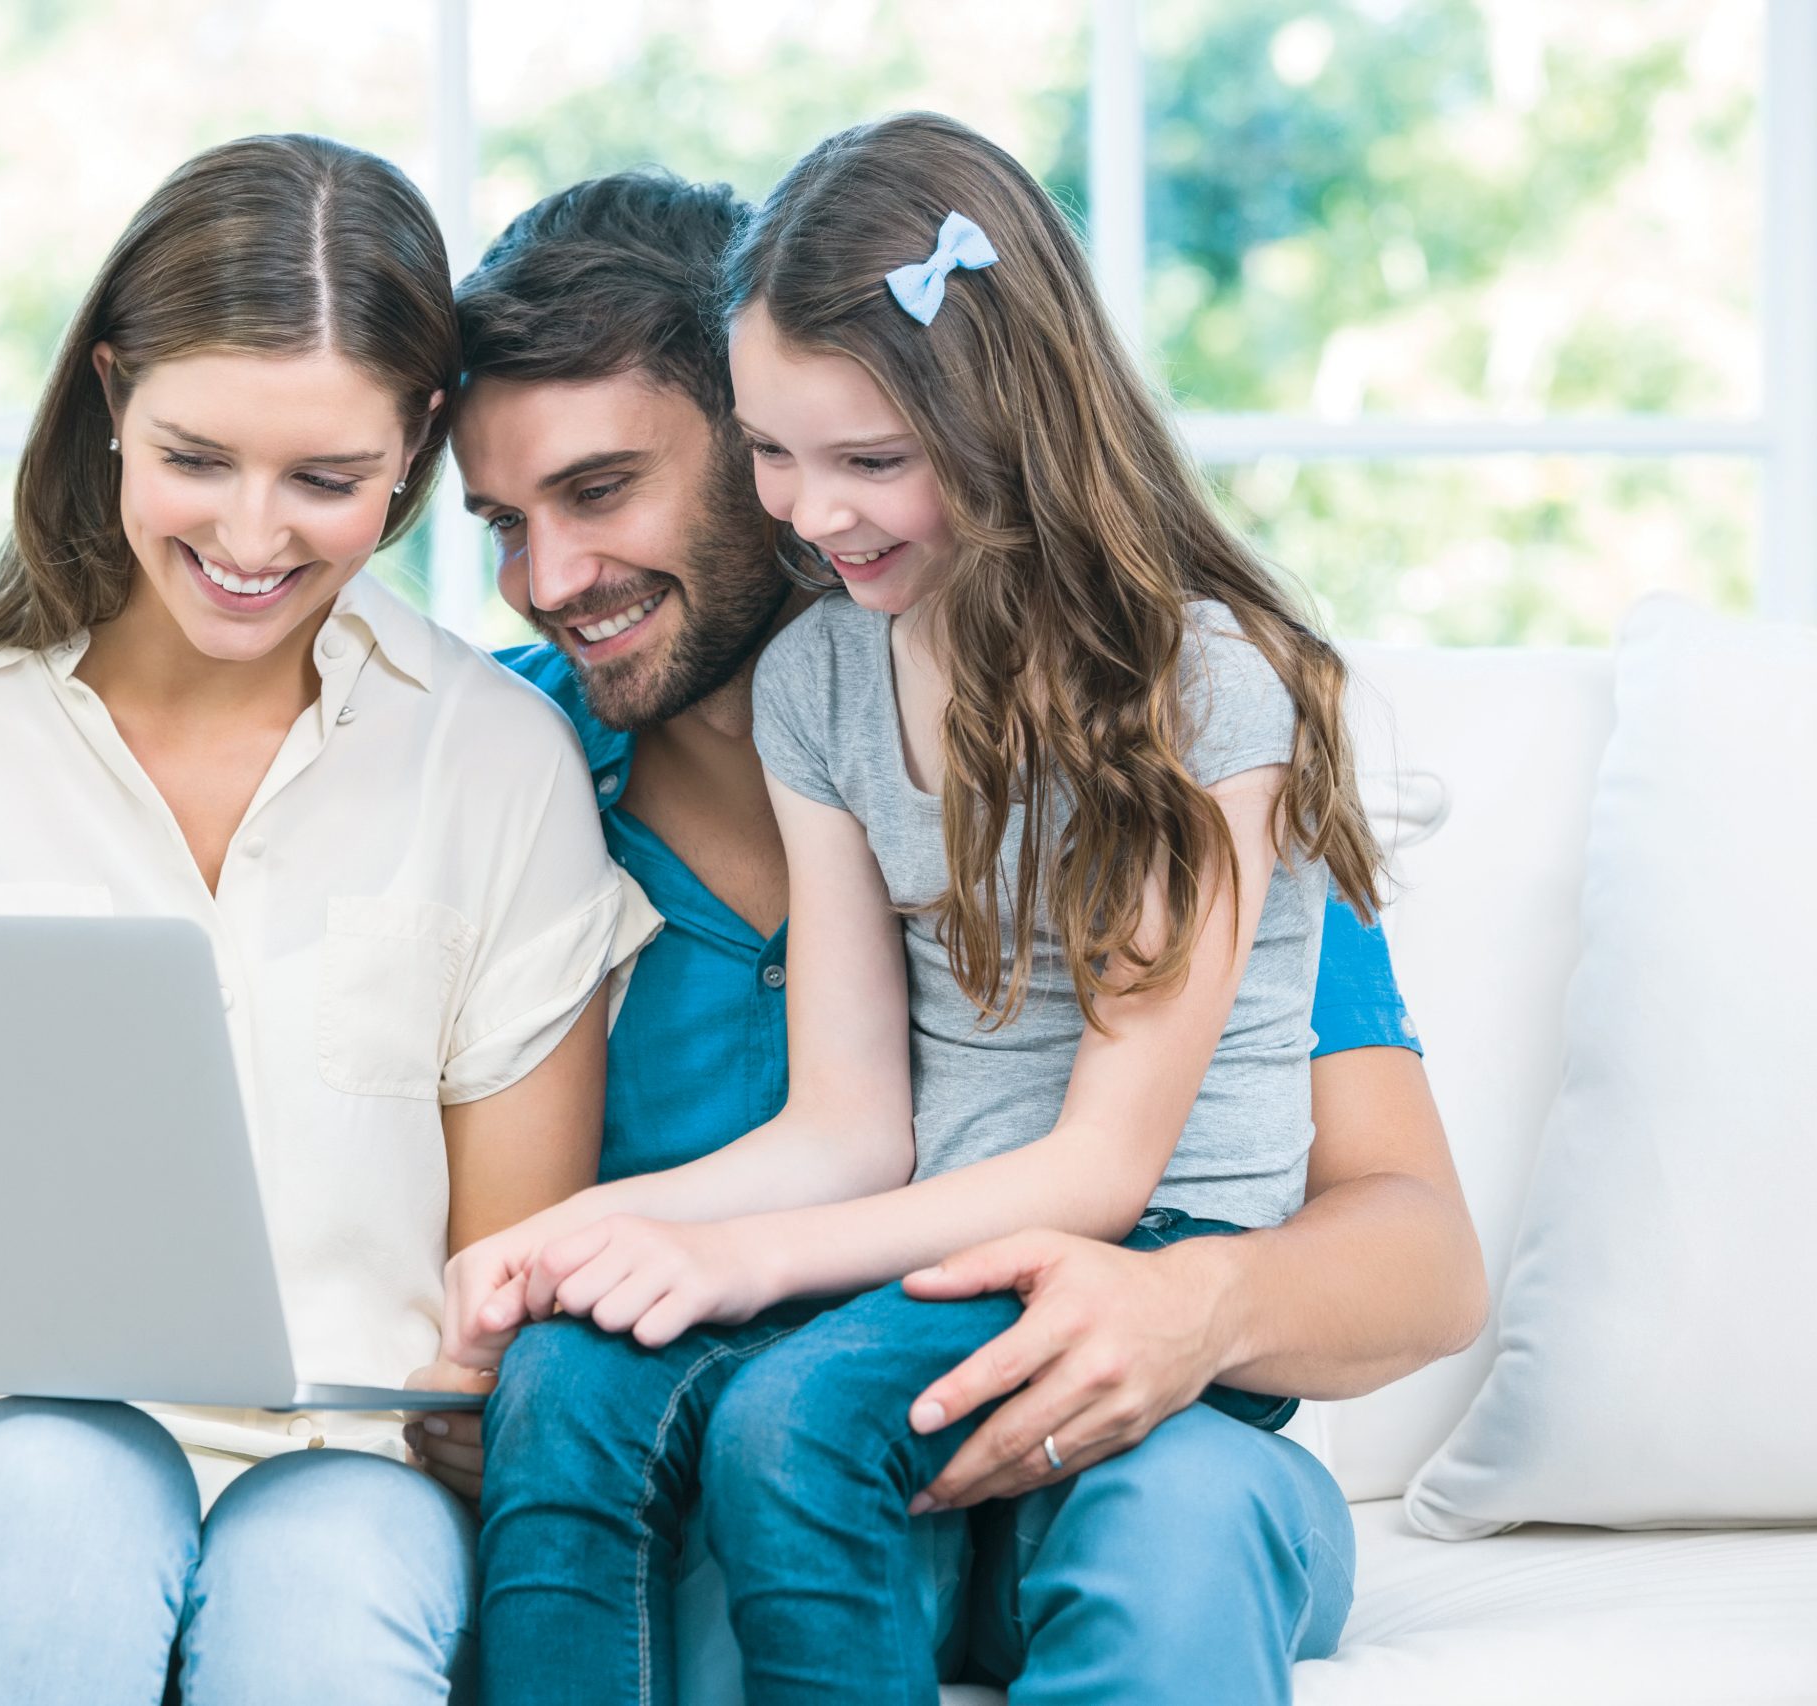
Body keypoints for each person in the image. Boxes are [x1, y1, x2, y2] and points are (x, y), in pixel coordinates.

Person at [432, 131, 1485, 1706]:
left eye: (600, 490)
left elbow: (1421, 1260)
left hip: (1145, 1415)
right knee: (715, 1496)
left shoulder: (1166, 718)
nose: (546, 575)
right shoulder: (510, 776)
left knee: (1171, 1523)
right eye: (499, 522)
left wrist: (1193, 1304)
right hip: (814, 1423)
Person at [0, 133, 654, 1706]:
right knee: (66, 1482)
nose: (250, 539)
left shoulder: (494, 763)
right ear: (109, 396)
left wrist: (472, 1394)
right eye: (198, 457)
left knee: (327, 1563)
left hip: (349, 1485)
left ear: (420, 446)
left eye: (326, 480)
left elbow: (494, 1297)